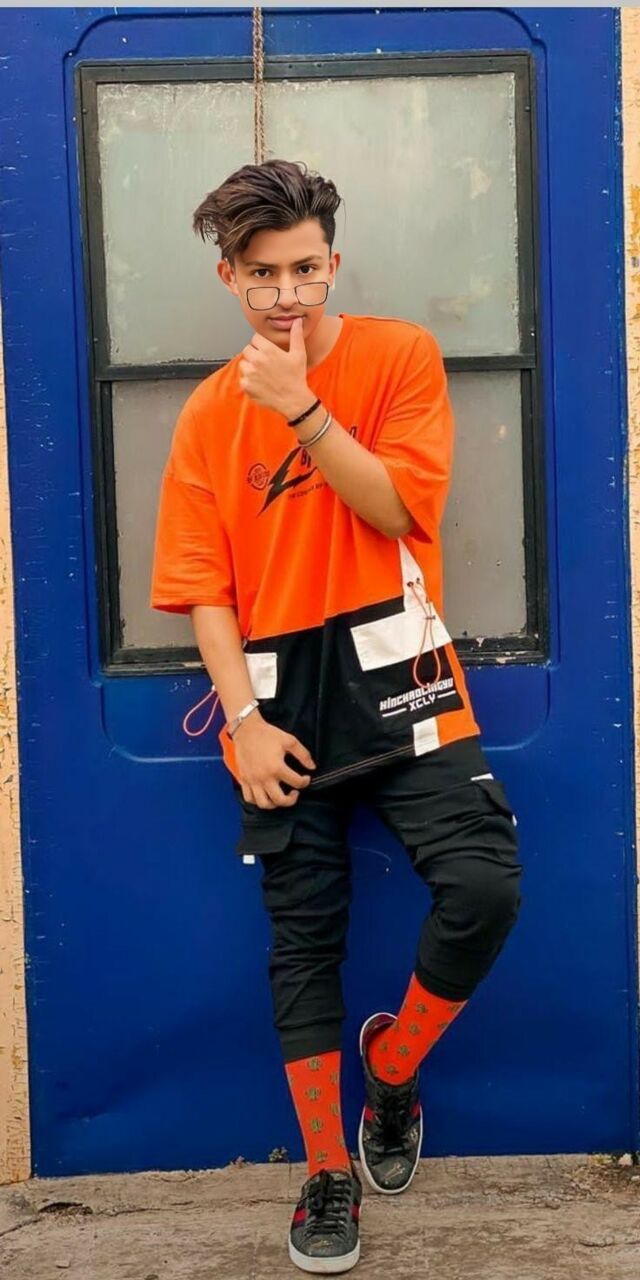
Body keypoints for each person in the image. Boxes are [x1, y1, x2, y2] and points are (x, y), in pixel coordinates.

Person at [150, 158, 523, 1275]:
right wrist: (242, 721)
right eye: (264, 273)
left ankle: (393, 1071)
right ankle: (325, 1171)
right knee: (302, 940)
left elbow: (400, 507)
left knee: (484, 885)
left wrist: (303, 407)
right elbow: (204, 590)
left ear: (333, 262)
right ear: (229, 277)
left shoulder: (397, 356)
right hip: (278, 696)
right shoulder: (207, 415)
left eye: (306, 269)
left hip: (399, 663)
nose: (288, 295)